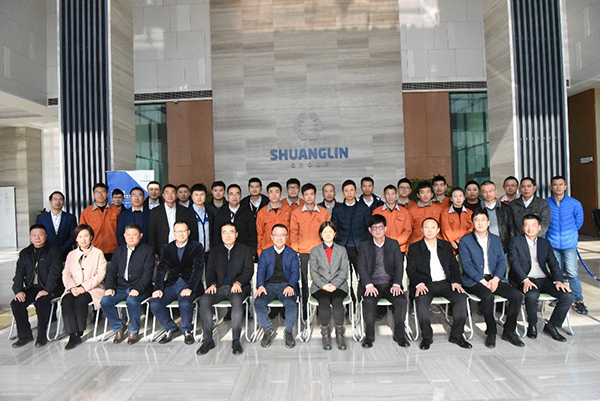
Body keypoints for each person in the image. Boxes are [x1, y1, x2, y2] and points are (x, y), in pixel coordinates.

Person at [458, 209, 524, 348]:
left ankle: (509, 331)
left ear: (488, 222)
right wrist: (482, 281)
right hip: (475, 280)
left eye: (483, 220)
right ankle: (491, 332)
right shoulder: (465, 240)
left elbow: (501, 261)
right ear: (472, 223)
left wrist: (496, 278)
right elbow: (467, 265)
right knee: (487, 296)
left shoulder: (495, 239)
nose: (480, 223)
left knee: (517, 295)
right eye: (477, 220)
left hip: (494, 278)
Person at [407, 218, 471, 350]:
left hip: (445, 283)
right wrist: (419, 284)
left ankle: (457, 335)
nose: (429, 230)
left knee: (461, 297)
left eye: (433, 228)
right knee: (421, 300)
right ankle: (427, 337)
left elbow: (454, 266)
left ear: (438, 230)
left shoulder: (445, 246)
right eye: (426, 227)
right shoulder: (414, 247)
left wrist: (456, 281)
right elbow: (411, 270)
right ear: (422, 230)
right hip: (425, 284)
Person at [508, 214, 573, 342]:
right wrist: (525, 279)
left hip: (544, 279)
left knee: (568, 296)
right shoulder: (515, 242)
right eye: (527, 225)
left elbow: (553, 263)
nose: (530, 228)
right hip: (526, 279)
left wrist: (559, 281)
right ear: (523, 227)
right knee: (532, 296)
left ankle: (551, 326)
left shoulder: (545, 243)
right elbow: (514, 263)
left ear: (539, 227)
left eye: (533, 225)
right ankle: (532, 325)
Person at [197, 222, 254, 355]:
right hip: (219, 287)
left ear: (236, 234)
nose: (228, 235)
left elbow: (248, 270)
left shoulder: (245, 250)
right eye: (225, 232)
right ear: (221, 235)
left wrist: (238, 283)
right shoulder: (215, 251)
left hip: (238, 287)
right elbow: (210, 271)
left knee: (237, 301)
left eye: (231, 232)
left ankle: (236, 340)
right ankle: (208, 340)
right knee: (204, 300)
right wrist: (211, 284)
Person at [356, 215, 409, 348]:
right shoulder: (364, 246)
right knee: (368, 302)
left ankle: (400, 336)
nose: (378, 230)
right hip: (372, 284)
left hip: (390, 284)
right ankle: (369, 337)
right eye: (374, 228)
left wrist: (397, 284)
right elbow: (361, 267)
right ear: (370, 230)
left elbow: (399, 265)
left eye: (380, 227)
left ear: (385, 228)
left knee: (401, 301)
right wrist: (368, 285)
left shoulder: (393, 244)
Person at [151, 221, 205, 345]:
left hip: (190, 284)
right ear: (174, 233)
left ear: (188, 232)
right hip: (172, 284)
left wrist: (190, 287)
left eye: (184, 231)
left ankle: (187, 331)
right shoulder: (167, 248)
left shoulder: (196, 246)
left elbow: (198, 269)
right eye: (178, 231)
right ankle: (171, 328)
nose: (181, 234)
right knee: (155, 304)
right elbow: (161, 269)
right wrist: (158, 288)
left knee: (185, 302)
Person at [100, 223, 154, 344]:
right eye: (128, 235)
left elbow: (147, 274)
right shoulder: (119, 251)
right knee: (105, 301)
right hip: (121, 288)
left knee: (132, 300)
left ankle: (134, 331)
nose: (131, 237)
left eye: (134, 234)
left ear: (140, 236)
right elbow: (112, 272)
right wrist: (109, 287)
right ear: (124, 236)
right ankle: (118, 328)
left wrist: (138, 289)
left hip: (141, 288)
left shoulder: (147, 250)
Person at [10, 224, 63, 348]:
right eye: (34, 235)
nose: (37, 238)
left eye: (40, 235)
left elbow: (55, 273)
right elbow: (18, 275)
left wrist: (47, 290)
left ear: (46, 236)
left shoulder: (53, 251)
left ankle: (41, 336)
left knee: (42, 302)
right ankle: (25, 336)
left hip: (51, 287)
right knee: (16, 303)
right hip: (31, 288)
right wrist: (18, 291)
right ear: (30, 237)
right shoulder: (25, 253)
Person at [254, 224, 300, 349]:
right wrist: (260, 286)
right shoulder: (265, 253)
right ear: (271, 237)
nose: (279, 238)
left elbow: (295, 272)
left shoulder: (292, 253)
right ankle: (267, 329)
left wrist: (291, 286)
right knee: (258, 302)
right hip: (268, 286)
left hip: (286, 286)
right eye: (276, 235)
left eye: (283, 235)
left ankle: (288, 332)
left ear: (287, 237)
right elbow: (261, 271)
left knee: (291, 303)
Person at [61, 224, 107, 350]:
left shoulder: (98, 253)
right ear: (76, 239)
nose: (83, 239)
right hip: (73, 288)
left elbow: (100, 275)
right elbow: (66, 274)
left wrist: (83, 287)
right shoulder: (71, 254)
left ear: (91, 237)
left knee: (80, 300)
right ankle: (72, 335)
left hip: (92, 288)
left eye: (86, 236)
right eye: (80, 236)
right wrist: (72, 288)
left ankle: (80, 331)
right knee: (66, 300)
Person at [546, 175, 587, 314]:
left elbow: (578, 222)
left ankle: (578, 300)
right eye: (555, 184)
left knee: (572, 273)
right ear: (551, 187)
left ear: (565, 186)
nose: (558, 187)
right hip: (552, 243)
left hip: (569, 244)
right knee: (555, 272)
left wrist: (570, 236)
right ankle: (559, 297)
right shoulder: (546, 203)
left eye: (561, 184)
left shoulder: (574, 203)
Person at [289, 183, 331, 319]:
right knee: (305, 281)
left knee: (321, 279)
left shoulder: (324, 212)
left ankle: (320, 307)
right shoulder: (296, 213)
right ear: (302, 196)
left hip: (321, 252)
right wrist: (295, 250)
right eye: (306, 195)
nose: (309, 197)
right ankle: (306, 309)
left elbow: (328, 232)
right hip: (304, 252)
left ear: (315, 195)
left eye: (311, 194)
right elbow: (293, 233)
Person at [309, 222, 350, 351]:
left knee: (337, 302)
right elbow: (313, 272)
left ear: (335, 234)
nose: (327, 234)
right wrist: (324, 285)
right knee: (324, 301)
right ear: (320, 234)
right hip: (320, 286)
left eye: (330, 231)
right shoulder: (315, 251)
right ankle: (325, 335)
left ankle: (340, 335)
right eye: (325, 232)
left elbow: (344, 270)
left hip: (339, 285)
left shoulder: (342, 250)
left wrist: (335, 284)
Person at [331, 179, 371, 304]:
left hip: (360, 248)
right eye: (346, 191)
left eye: (351, 190)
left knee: (363, 276)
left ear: (355, 191)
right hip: (343, 248)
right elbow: (333, 229)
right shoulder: (337, 209)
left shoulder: (363, 208)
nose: (349, 193)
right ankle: (350, 303)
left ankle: (361, 301)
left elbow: (368, 228)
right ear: (342, 192)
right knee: (344, 278)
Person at [148, 184, 198, 258]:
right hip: (162, 250)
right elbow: (151, 233)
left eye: (172, 192)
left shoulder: (185, 211)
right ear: (163, 195)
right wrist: (154, 252)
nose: (170, 195)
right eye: (167, 193)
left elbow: (191, 231)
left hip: (182, 249)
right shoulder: (155, 212)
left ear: (176, 195)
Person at [214, 184, 257, 259]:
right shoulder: (221, 212)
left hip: (243, 250)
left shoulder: (247, 212)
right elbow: (216, 234)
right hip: (224, 251)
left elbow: (252, 234)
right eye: (231, 194)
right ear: (227, 196)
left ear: (241, 196)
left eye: (237, 194)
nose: (234, 197)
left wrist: (252, 252)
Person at [79, 183, 120, 259]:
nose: (100, 194)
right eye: (97, 192)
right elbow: (81, 232)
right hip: (93, 250)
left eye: (103, 192)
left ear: (107, 194)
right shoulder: (86, 212)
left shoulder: (116, 211)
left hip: (113, 250)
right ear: (93, 195)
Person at [35, 191, 78, 260]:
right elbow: (39, 235)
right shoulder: (41, 218)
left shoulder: (70, 217)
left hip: (66, 254)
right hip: (46, 253)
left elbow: (73, 235)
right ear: (50, 202)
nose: (58, 202)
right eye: (55, 199)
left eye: (60, 199)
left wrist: (62, 250)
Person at [372, 185, 412, 253]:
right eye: (388, 194)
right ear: (383, 195)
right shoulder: (377, 211)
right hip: (382, 247)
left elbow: (407, 230)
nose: (390, 196)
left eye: (393, 194)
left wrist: (395, 243)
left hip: (399, 248)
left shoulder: (404, 212)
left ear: (396, 195)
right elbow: (375, 229)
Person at [256, 182, 292, 256]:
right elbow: (260, 234)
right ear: (267, 194)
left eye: (277, 192)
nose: (274, 195)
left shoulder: (289, 209)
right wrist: (259, 251)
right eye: (271, 192)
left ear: (281, 193)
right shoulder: (262, 212)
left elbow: (293, 231)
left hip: (286, 249)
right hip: (267, 250)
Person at [479, 180, 515, 252]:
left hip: (503, 247)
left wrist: (511, 247)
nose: (488, 194)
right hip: (484, 247)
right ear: (481, 193)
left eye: (491, 191)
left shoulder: (506, 208)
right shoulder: (477, 209)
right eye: (485, 191)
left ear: (496, 191)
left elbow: (511, 229)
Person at [439, 187, 473, 252]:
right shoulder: (445, 212)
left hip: (467, 244)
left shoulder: (470, 213)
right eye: (455, 196)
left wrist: (460, 241)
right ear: (451, 199)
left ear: (464, 198)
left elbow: (471, 229)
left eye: (460, 196)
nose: (458, 198)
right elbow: (446, 229)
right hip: (450, 245)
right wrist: (453, 242)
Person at [190, 183, 213, 260]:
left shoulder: (210, 213)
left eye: (202, 194)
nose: (199, 197)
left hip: (209, 254)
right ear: (192, 196)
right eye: (196, 195)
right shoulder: (186, 214)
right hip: (192, 254)